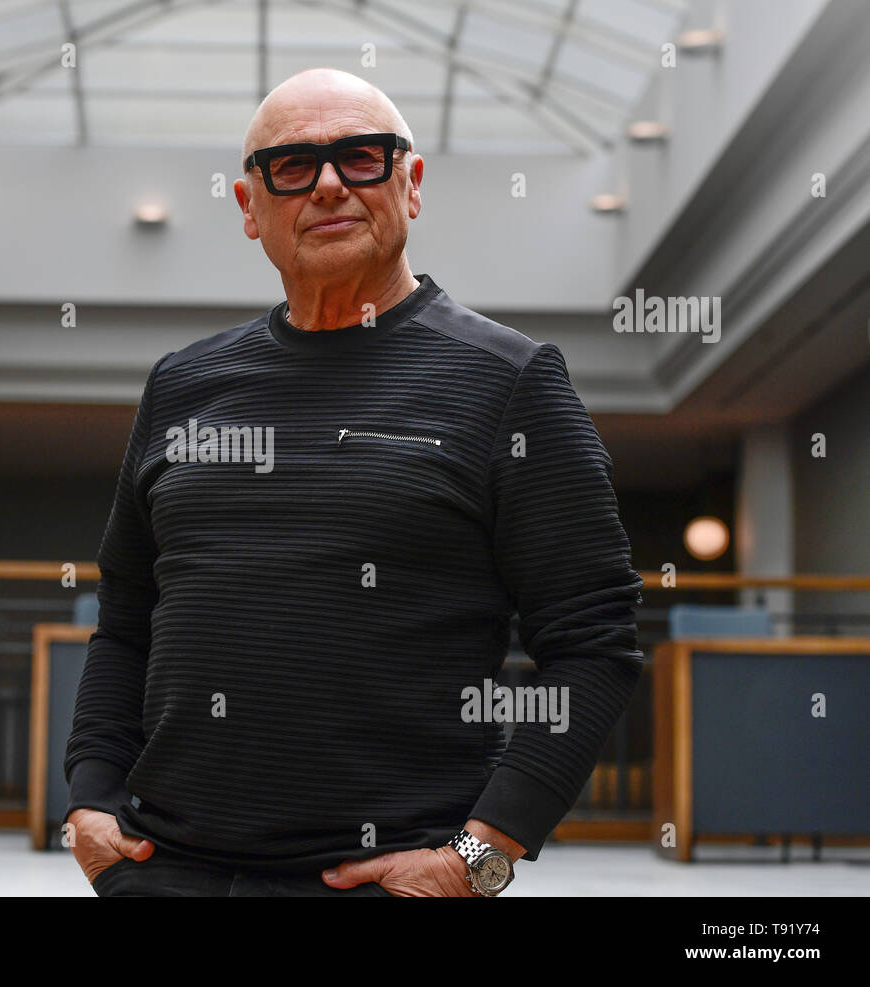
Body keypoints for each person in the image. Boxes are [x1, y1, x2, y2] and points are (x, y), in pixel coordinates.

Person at [63, 67, 644, 896]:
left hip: (382, 881)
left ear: (409, 186)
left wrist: (479, 859)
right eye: (293, 166)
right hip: (164, 869)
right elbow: (125, 618)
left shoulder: (510, 380)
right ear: (248, 207)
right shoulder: (182, 384)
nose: (330, 183)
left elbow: (594, 641)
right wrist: (90, 799)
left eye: (361, 157)